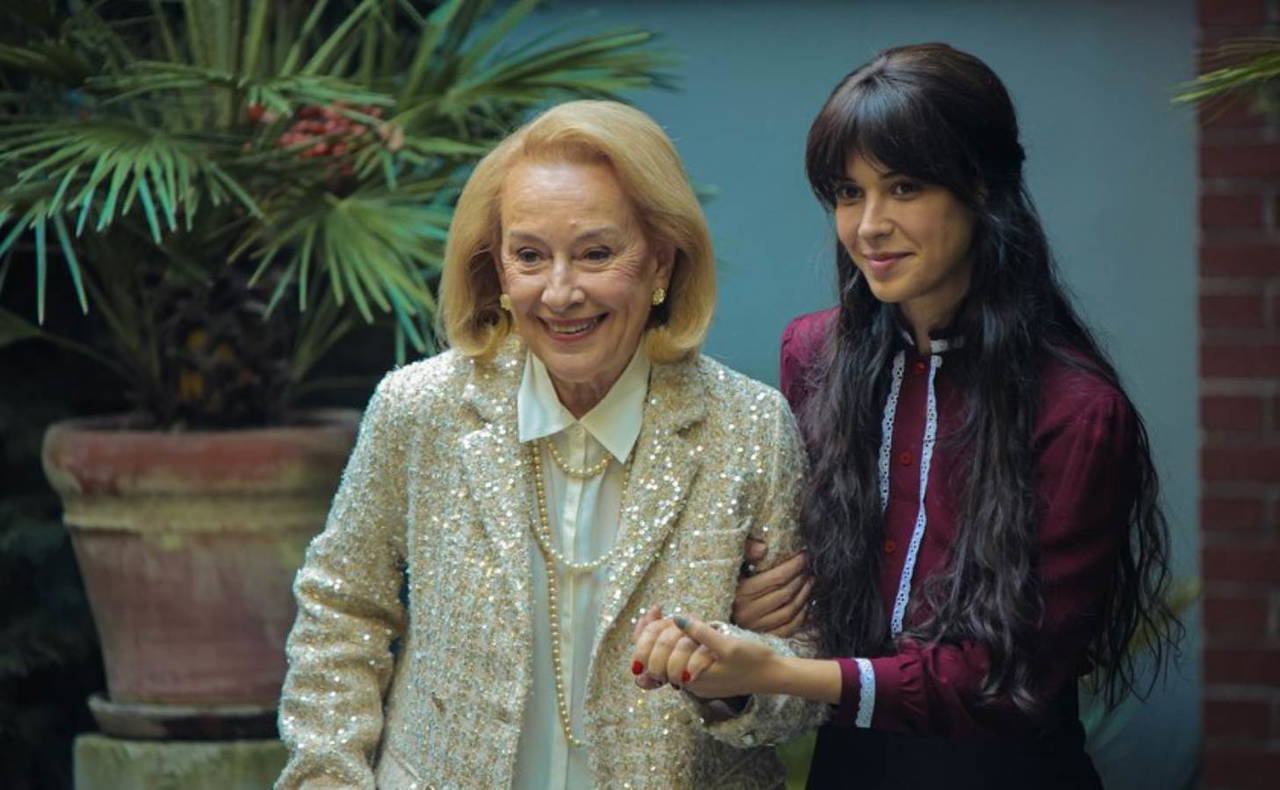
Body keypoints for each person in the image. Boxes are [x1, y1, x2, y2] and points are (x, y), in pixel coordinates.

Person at [632, 43, 1180, 789]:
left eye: (904, 187)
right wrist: (754, 604)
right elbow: (799, 576)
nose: (869, 225)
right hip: (847, 771)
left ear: (981, 188)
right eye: (848, 193)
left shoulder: (1077, 413)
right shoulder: (814, 357)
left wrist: (784, 672)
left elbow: (1006, 683)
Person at [274, 100, 813, 790]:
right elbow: (341, 611)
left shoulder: (751, 425)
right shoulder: (419, 409)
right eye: (530, 256)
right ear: (497, 269)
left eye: (596, 254)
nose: (560, 293)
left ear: (661, 263)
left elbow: (804, 673)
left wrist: (735, 682)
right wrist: (328, 778)